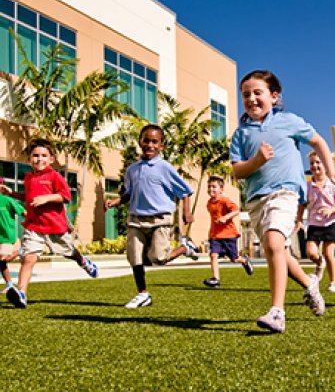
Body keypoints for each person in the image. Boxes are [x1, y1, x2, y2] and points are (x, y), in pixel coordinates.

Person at [230, 69, 335, 333]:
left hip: (286, 193)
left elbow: (319, 142)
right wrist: (256, 161)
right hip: (256, 199)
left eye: (258, 93)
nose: (252, 99)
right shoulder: (241, 133)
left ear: (274, 96)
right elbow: (237, 171)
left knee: (272, 243)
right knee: (276, 250)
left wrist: (333, 170)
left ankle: (277, 312)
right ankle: (310, 284)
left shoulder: (289, 121)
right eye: (246, 94)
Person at [105, 124, 199, 309]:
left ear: (161, 146)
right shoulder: (132, 170)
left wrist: (187, 212)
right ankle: (142, 294)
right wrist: (116, 201)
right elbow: (129, 193)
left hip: (160, 219)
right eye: (146, 140)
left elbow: (185, 192)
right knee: (134, 256)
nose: (150, 145)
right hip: (136, 219)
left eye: (155, 142)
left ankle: (184, 249)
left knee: (158, 258)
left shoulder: (165, 168)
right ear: (140, 142)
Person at [0, 138, 99, 308]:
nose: (39, 159)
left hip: (55, 227)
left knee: (69, 252)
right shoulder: (29, 177)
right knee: (28, 258)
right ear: (29, 158)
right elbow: (28, 197)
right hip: (33, 226)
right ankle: (22, 293)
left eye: (44, 156)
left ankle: (83, 262)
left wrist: (47, 198)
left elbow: (65, 196)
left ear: (51, 159)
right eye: (35, 156)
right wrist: (12, 193)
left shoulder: (55, 177)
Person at [295, 151, 335, 293]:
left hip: (331, 223)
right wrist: (299, 220)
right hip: (314, 224)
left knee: (329, 253)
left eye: (318, 162)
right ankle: (319, 264)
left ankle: (333, 282)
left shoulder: (333, 184)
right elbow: (302, 205)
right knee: (311, 252)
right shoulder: (307, 186)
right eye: (312, 163)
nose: (315, 165)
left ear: (327, 165)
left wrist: (332, 210)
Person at [203, 175, 253, 288]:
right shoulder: (209, 203)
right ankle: (215, 279)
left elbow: (236, 210)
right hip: (215, 235)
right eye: (209, 187)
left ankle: (244, 260)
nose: (211, 189)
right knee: (213, 255)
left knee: (234, 259)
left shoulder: (224, 200)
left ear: (221, 189)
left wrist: (226, 217)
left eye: (214, 187)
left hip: (228, 234)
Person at [0, 179, 25, 293]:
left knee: (3, 258)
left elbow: (23, 212)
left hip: (7, 235)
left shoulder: (7, 200)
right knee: (1, 262)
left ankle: (20, 250)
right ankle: (9, 284)